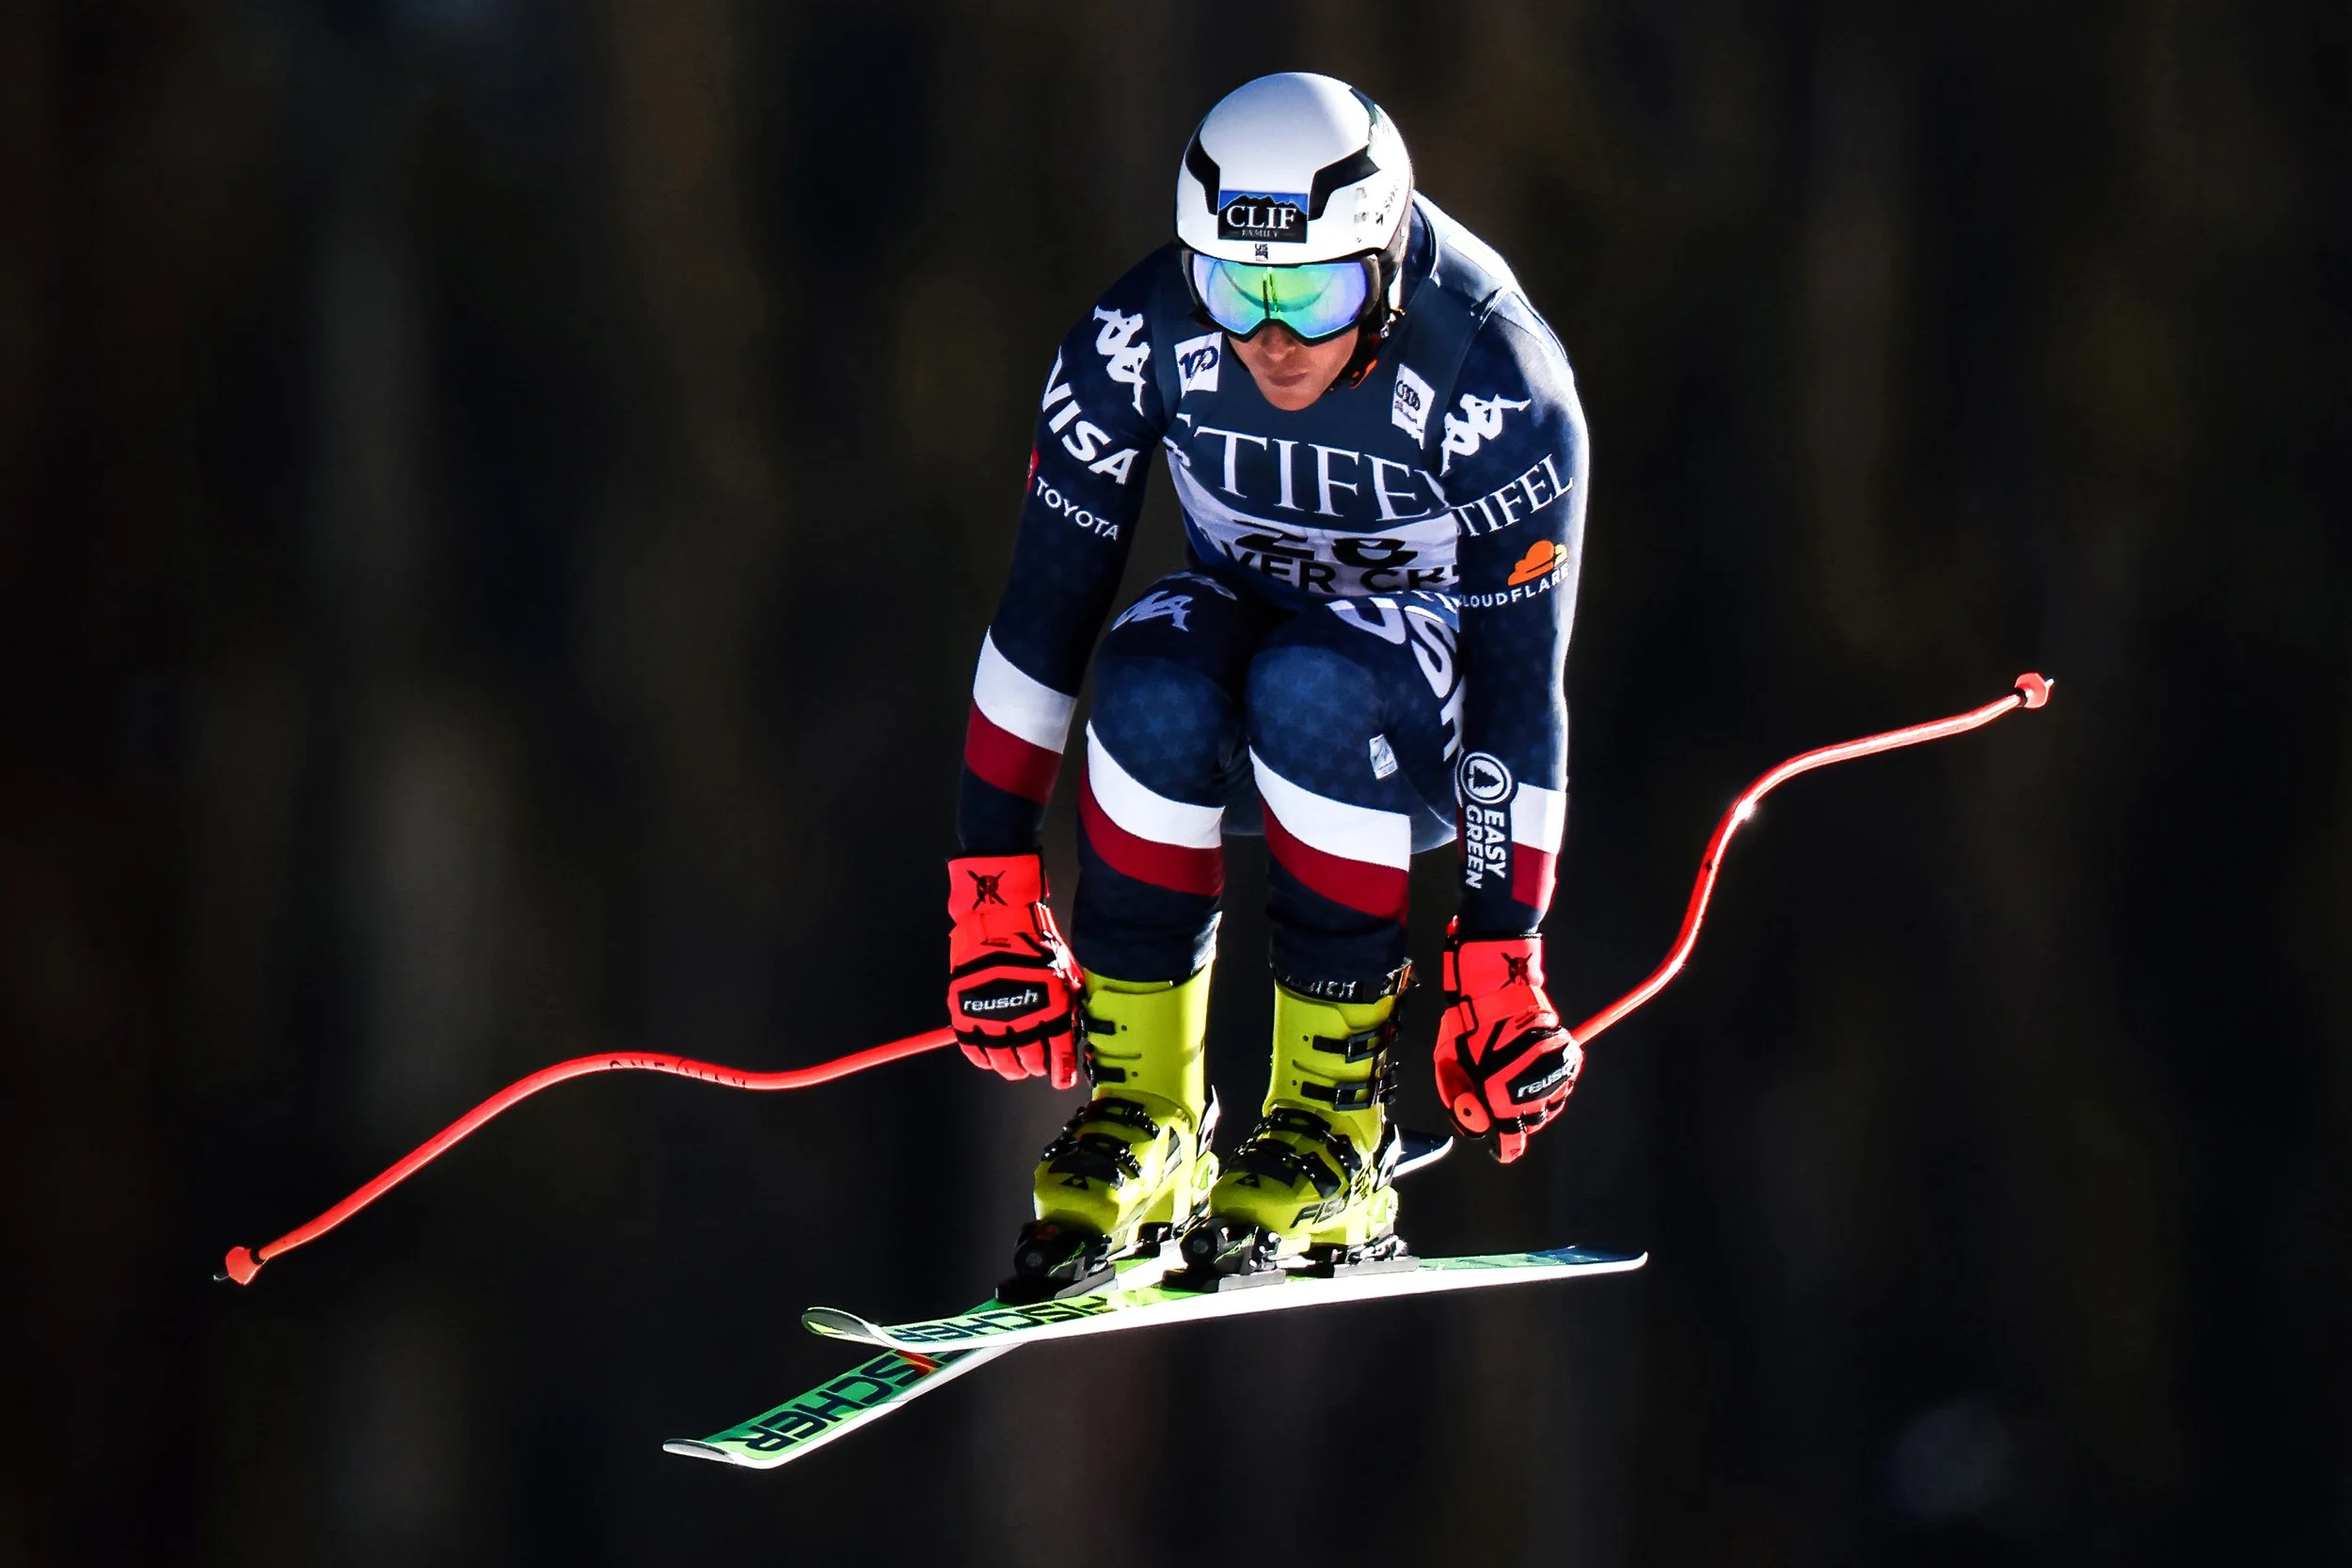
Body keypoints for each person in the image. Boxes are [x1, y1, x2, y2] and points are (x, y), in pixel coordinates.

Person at [945, 71, 1589, 1297]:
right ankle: (1146, 1111)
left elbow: (1520, 690)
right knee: (1147, 673)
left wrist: (1501, 947)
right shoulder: (1137, 335)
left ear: (1385, 270)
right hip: (1251, 692)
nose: (1272, 340)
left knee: (1313, 678)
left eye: (1315, 294)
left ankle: (1339, 1127)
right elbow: (1043, 616)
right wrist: (989, 885)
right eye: (1236, 290)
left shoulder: (1496, 377)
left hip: (1418, 738)